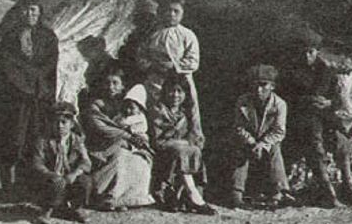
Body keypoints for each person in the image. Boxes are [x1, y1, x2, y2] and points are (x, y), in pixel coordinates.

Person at [279, 27, 352, 207]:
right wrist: (307, 100)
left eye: (310, 51)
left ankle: (348, 187)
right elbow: (285, 99)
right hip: (301, 118)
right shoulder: (290, 73)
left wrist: (328, 103)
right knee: (314, 143)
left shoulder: (326, 71)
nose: (306, 56)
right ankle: (328, 192)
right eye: (303, 52)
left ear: (317, 51)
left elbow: (337, 98)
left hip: (325, 116)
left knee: (342, 143)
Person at [0, 0, 59, 195]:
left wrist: (38, 82)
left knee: (38, 137)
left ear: (39, 12)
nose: (29, 14)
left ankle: (36, 182)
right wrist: (25, 85)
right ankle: (8, 185)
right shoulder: (10, 37)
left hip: (40, 96)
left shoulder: (48, 37)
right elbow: (7, 66)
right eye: (26, 10)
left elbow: (50, 64)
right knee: (15, 138)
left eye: (33, 10)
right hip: (17, 97)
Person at [81, 66, 155, 211]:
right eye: (107, 83)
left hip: (125, 144)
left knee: (140, 158)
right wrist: (127, 136)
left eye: (115, 83)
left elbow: (138, 124)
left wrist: (138, 138)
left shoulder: (127, 104)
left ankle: (124, 199)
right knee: (120, 156)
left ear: (122, 86)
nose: (111, 87)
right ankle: (105, 196)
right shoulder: (95, 106)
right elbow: (101, 128)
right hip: (101, 145)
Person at [150, 74, 217, 215]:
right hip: (162, 151)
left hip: (181, 151)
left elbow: (194, 136)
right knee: (183, 151)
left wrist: (189, 142)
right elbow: (157, 140)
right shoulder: (158, 110)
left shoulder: (185, 113)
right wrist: (182, 143)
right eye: (172, 91)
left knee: (194, 150)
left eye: (180, 91)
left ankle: (181, 195)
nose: (175, 95)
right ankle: (193, 196)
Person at [137, 0, 202, 135]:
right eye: (168, 10)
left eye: (176, 11)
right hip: (156, 81)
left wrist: (174, 66)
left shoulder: (187, 35)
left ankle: (192, 142)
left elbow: (193, 61)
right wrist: (152, 66)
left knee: (189, 113)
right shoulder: (152, 34)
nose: (171, 14)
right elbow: (141, 56)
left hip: (181, 82)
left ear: (182, 13)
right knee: (156, 113)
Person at [230, 65, 290, 208]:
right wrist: (251, 142)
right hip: (249, 140)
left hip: (267, 141)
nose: (258, 90)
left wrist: (263, 144)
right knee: (240, 149)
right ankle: (236, 192)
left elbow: (279, 131)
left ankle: (279, 191)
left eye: (263, 85)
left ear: (272, 86)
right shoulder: (243, 101)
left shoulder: (280, 104)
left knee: (275, 149)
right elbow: (239, 127)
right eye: (255, 85)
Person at [31, 102, 92, 224]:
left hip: (69, 178)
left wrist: (75, 173)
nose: (59, 126)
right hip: (51, 179)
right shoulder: (43, 141)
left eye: (64, 122)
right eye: (56, 122)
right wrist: (51, 174)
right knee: (56, 183)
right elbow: (37, 163)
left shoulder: (77, 140)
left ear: (72, 124)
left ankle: (77, 207)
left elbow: (86, 162)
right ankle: (47, 210)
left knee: (85, 181)